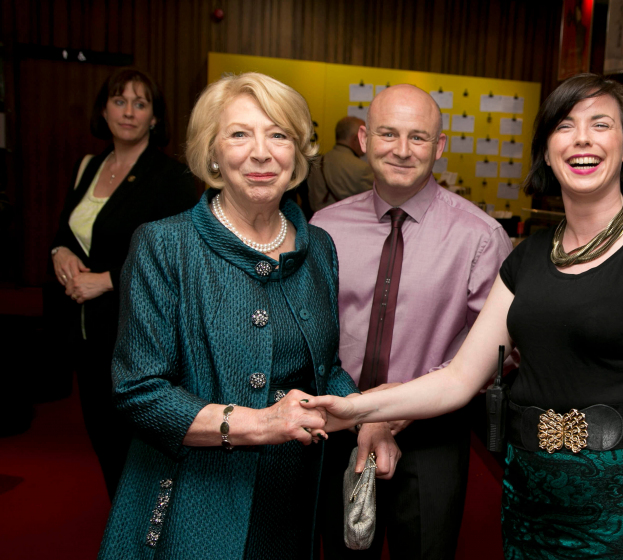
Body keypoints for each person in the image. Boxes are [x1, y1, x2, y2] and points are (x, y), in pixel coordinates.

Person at [304, 74, 623, 560]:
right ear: (547, 150)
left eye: (600, 124)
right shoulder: (528, 258)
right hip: (530, 500)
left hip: (620, 505)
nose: (581, 139)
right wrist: (354, 408)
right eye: (564, 126)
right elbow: (458, 378)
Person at [97, 72, 398, 560]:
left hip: (294, 499)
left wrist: (364, 416)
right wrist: (260, 424)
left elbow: (323, 369)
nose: (261, 152)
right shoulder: (164, 245)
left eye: (278, 134)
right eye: (239, 133)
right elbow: (139, 392)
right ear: (212, 151)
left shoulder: (318, 246)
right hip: (195, 503)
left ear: (297, 154)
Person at [311, 84, 513, 559]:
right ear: (364, 138)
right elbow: (310, 337)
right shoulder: (323, 228)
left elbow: (500, 357)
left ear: (440, 146)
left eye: (418, 138)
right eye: (388, 134)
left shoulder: (481, 238)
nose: (402, 150)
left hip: (432, 437)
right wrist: (357, 413)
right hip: (337, 431)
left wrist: (394, 413)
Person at [49, 67, 197, 499]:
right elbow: (68, 231)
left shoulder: (170, 177)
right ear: (104, 110)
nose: (128, 111)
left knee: (138, 454)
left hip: (137, 338)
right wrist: (58, 251)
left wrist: (108, 280)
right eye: (119, 100)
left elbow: (181, 259)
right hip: (86, 334)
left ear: (155, 117)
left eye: (140, 103)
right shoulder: (89, 166)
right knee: (104, 445)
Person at [307, 116, 374, 212]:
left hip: (315, 222)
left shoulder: (317, 162)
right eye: (365, 137)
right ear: (355, 139)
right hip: (346, 224)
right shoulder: (363, 169)